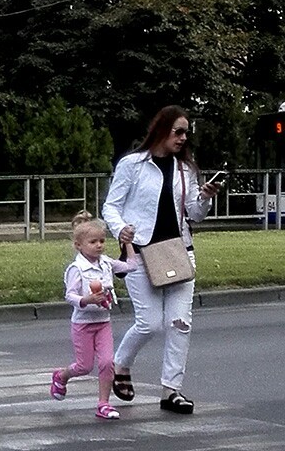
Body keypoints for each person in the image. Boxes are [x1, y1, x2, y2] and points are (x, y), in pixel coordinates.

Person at [102, 105, 220, 415]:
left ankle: (172, 391)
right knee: (150, 323)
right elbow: (110, 207)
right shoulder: (133, 165)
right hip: (141, 253)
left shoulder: (186, 170)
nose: (183, 138)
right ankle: (121, 364)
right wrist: (121, 229)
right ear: (161, 129)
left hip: (179, 252)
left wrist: (204, 199)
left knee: (179, 323)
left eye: (186, 133)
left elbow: (194, 214)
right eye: (178, 131)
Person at [50, 210, 138, 420]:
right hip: (83, 324)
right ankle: (61, 376)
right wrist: (86, 300)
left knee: (108, 362)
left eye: (101, 241)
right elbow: (70, 296)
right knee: (84, 366)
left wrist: (127, 244)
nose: (99, 245)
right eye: (93, 242)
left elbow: (132, 266)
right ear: (79, 245)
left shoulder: (106, 262)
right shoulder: (76, 268)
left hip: (103, 322)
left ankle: (103, 404)